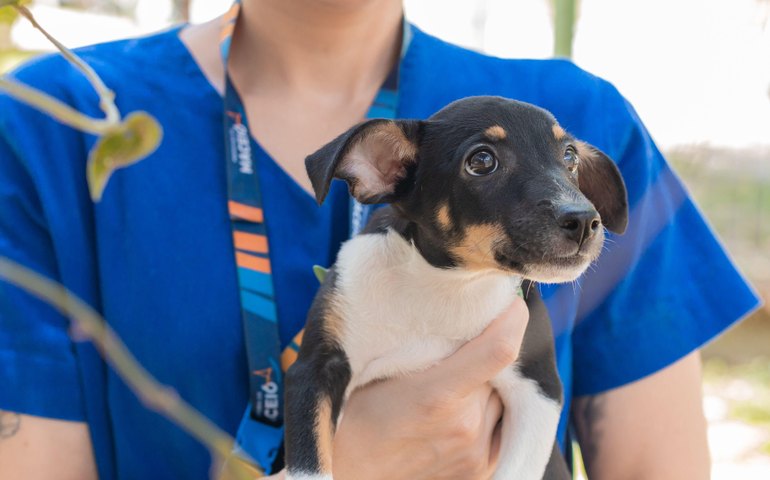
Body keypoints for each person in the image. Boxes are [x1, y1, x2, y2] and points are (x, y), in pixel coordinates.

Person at [0, 1, 760, 479]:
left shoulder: (579, 116)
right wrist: (355, 463)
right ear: (384, 169)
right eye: (485, 163)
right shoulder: (51, 127)